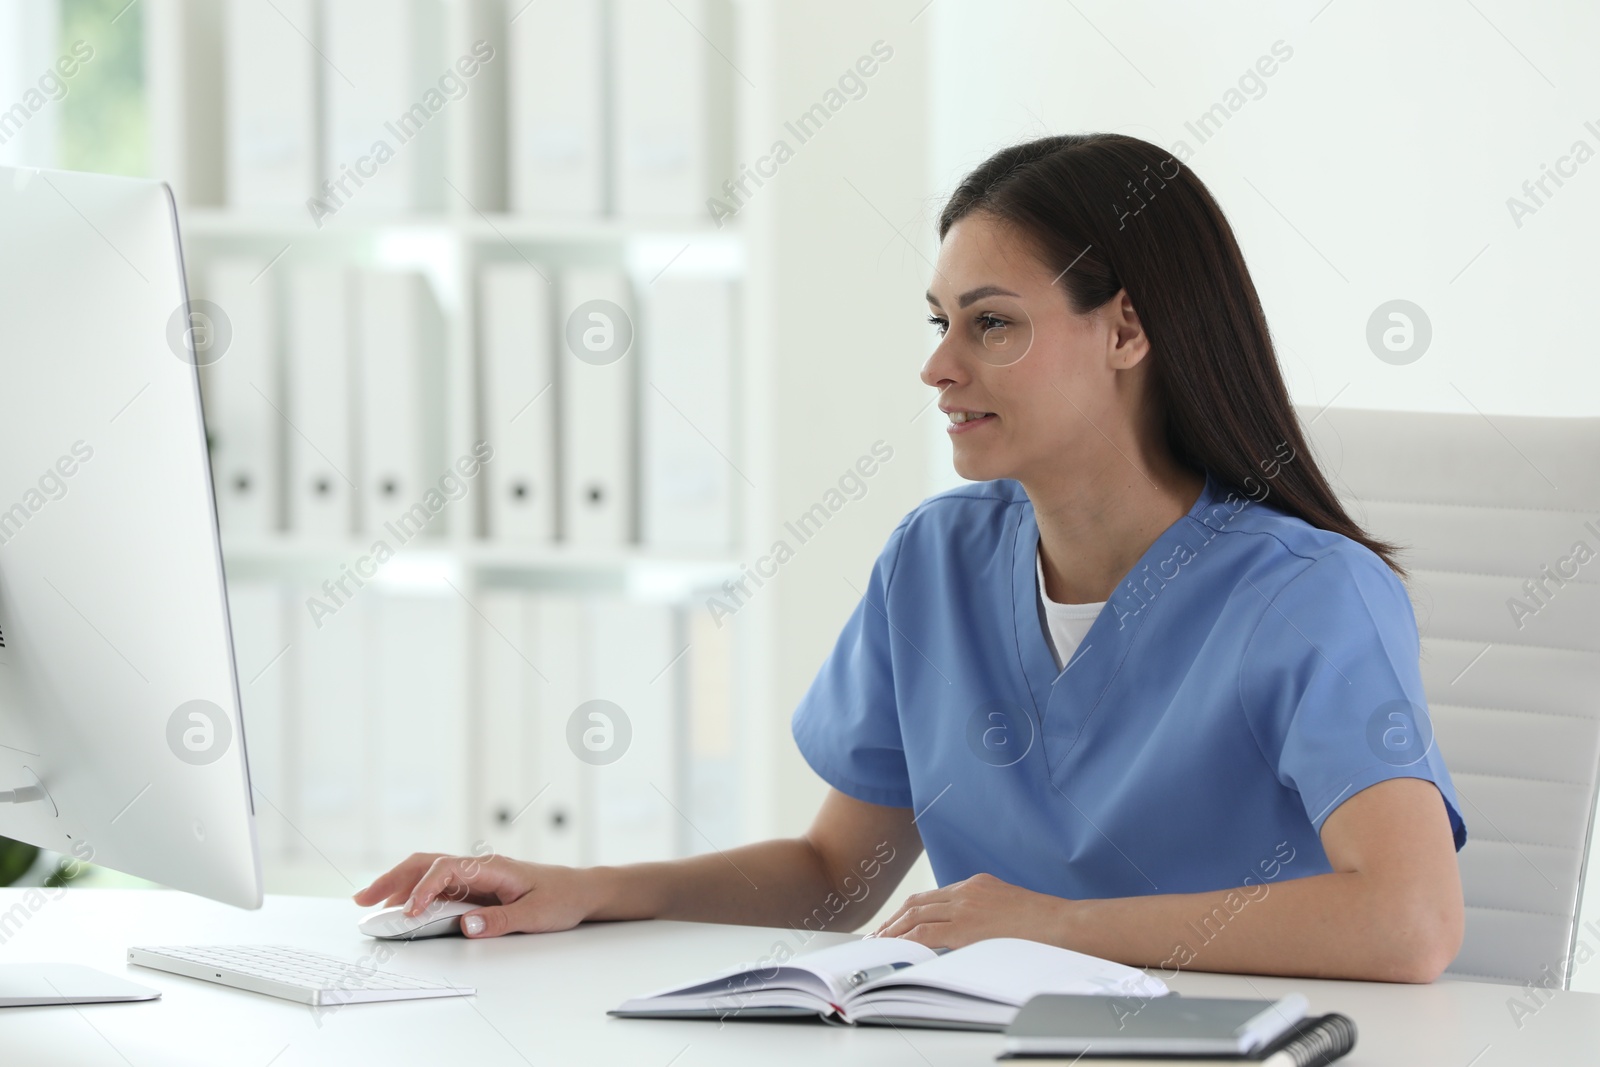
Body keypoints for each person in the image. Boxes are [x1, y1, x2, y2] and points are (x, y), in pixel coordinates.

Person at [356, 133, 1467, 983]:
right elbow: (837, 875)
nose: (938, 365)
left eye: (989, 324)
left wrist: (1052, 927)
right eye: (937, 320)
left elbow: (1409, 922)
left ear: (1125, 331)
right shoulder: (933, 561)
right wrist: (592, 888)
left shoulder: (1305, 594)